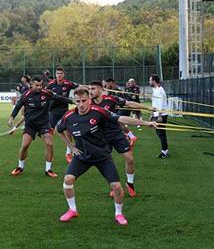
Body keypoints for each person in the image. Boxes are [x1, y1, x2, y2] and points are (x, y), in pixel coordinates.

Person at [56, 87, 157, 225]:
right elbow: (58, 129)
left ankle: (119, 214)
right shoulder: (69, 116)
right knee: (68, 180)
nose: (81, 104)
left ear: (89, 100)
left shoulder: (99, 112)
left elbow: (121, 118)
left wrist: (146, 123)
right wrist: (71, 146)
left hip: (102, 156)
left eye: (84, 101)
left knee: (116, 187)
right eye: (78, 101)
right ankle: (72, 210)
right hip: (82, 156)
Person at [90, 81, 156, 197]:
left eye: (93, 89)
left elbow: (130, 103)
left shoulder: (111, 99)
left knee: (130, 159)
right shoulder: (88, 103)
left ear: (100, 89)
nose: (90, 91)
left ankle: (129, 183)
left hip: (116, 133)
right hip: (101, 136)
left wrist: (148, 107)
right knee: (106, 163)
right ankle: (114, 186)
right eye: (89, 89)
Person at [8, 75, 73, 178]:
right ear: (31, 84)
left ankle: (48, 169)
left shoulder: (46, 93)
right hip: (30, 125)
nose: (39, 87)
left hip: (44, 124)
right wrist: (11, 117)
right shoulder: (26, 95)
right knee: (25, 145)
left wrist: (73, 102)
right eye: (37, 85)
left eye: (41, 85)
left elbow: (60, 98)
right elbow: (18, 106)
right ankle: (20, 167)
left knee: (49, 144)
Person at [46, 68, 79, 162]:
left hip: (64, 111)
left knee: (68, 132)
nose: (59, 75)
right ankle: (50, 154)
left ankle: (68, 153)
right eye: (57, 73)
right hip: (53, 111)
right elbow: (44, 93)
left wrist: (90, 87)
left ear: (63, 74)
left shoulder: (68, 84)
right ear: (55, 74)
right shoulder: (51, 84)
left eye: (61, 73)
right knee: (49, 134)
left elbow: (79, 86)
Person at [149, 75, 169, 158]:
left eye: (150, 80)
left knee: (161, 133)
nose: (149, 82)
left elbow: (160, 103)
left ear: (154, 81)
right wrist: (152, 114)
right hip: (157, 114)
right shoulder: (155, 90)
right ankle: (165, 150)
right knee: (159, 132)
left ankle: (164, 152)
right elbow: (155, 104)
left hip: (162, 114)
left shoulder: (160, 90)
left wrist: (160, 115)